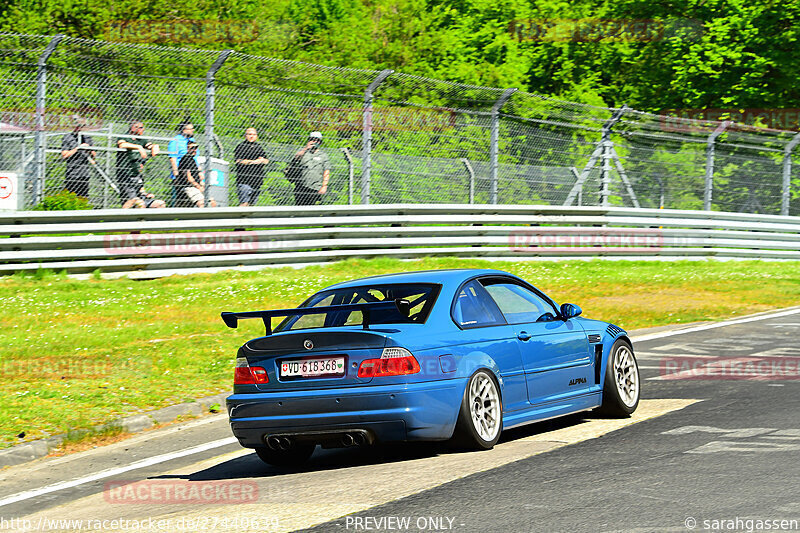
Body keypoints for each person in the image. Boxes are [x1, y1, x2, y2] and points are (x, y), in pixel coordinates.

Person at [116, 120, 165, 209]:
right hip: (125, 174)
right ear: (133, 128)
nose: (143, 129)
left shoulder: (141, 139)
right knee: (137, 203)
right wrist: (139, 147)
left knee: (160, 204)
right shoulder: (125, 137)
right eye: (141, 127)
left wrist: (155, 146)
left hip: (136, 174)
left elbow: (149, 145)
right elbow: (122, 144)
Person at [287, 131, 330, 206]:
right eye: (313, 139)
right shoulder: (303, 152)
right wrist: (306, 148)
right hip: (302, 186)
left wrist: (324, 186)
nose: (315, 142)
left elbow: (326, 171)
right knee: (300, 207)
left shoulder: (323, 155)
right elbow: (296, 157)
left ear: (320, 142)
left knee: (313, 208)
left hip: (316, 187)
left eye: (317, 140)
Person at [60, 116, 96, 198]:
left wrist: (89, 149)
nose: (80, 128)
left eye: (82, 126)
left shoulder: (87, 138)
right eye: (78, 126)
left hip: (84, 173)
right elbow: (65, 155)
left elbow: (94, 155)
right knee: (71, 196)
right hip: (72, 173)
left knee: (84, 197)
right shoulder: (68, 137)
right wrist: (78, 148)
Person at [233, 127, 269, 207]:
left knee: (252, 205)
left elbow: (266, 160)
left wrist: (262, 160)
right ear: (245, 135)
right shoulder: (241, 146)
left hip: (257, 181)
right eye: (249, 134)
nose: (251, 136)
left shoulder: (259, 147)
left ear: (256, 136)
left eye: (253, 134)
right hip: (244, 180)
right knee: (244, 203)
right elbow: (239, 161)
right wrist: (253, 162)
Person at [175, 141, 216, 208]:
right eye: (192, 148)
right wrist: (198, 187)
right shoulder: (185, 159)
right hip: (189, 186)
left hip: (196, 186)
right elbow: (188, 178)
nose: (195, 150)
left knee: (212, 202)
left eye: (196, 148)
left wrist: (202, 185)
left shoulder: (193, 160)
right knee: (201, 203)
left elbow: (199, 176)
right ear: (188, 149)